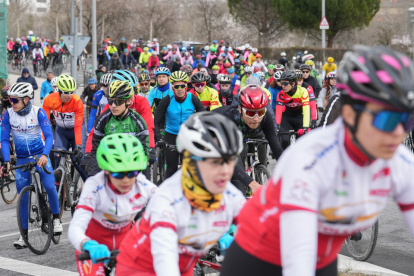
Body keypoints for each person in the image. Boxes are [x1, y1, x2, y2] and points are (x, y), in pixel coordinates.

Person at [221, 45, 414, 276]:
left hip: (320, 256)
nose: (398, 133)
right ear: (351, 116)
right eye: (387, 120)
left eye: (407, 120)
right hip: (258, 256)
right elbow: (298, 250)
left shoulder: (398, 160)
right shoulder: (311, 160)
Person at [116, 112, 245, 276]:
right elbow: (165, 262)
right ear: (191, 161)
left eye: (230, 161)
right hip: (140, 268)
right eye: (215, 162)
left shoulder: (229, 194)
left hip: (183, 265)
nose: (226, 171)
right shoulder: (167, 200)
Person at [69, 134, 157, 276]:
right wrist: (87, 244)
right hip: (93, 246)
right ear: (107, 171)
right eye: (118, 174)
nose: (127, 180)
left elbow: (170, 206)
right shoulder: (94, 186)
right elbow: (75, 227)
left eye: (132, 172)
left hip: (125, 245)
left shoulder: (141, 184)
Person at [1, 82, 62, 249]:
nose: (11, 103)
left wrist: (44, 155)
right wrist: (6, 160)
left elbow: (49, 137)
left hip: (39, 155)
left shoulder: (39, 113)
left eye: (14, 100)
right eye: (10, 100)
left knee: (49, 186)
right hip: (21, 158)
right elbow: (5, 140)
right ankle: (24, 234)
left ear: (26, 99)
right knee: (23, 196)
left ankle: (56, 219)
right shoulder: (8, 115)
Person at [214, 85, 283, 194]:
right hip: (211, 135)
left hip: (241, 135)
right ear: (240, 109)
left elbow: (277, 149)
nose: (256, 119)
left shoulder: (265, 117)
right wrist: (252, 183)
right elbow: (229, 158)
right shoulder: (229, 119)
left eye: (260, 112)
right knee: (238, 186)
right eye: (250, 113)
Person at [88, 80, 150, 177]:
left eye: (118, 101)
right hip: (109, 172)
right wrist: (91, 177)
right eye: (110, 101)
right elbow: (95, 151)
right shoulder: (103, 119)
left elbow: (144, 154)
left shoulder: (138, 121)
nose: (113, 105)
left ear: (129, 101)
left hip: (131, 173)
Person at [154, 71, 205, 178]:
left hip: (188, 135)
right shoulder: (167, 100)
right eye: (177, 87)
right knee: (171, 169)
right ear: (173, 88)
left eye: (182, 86)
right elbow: (157, 121)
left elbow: (204, 117)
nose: (180, 89)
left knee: (188, 169)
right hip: (171, 135)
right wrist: (159, 138)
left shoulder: (193, 98)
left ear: (186, 86)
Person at [42, 75, 86, 181]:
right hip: (61, 131)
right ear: (60, 91)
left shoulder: (76, 101)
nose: (69, 95)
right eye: (66, 92)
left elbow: (78, 125)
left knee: (77, 161)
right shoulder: (49, 99)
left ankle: (89, 185)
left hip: (76, 130)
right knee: (57, 158)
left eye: (72, 92)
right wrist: (43, 139)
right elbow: (45, 122)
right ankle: (59, 192)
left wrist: (79, 145)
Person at [275, 70, 310, 149]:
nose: (282, 86)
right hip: (287, 116)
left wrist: (305, 126)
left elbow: (306, 110)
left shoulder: (303, 91)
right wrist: (276, 126)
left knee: (301, 141)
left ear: (293, 83)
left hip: (299, 116)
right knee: (284, 139)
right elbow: (278, 112)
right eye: (281, 83)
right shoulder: (281, 94)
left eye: (285, 83)